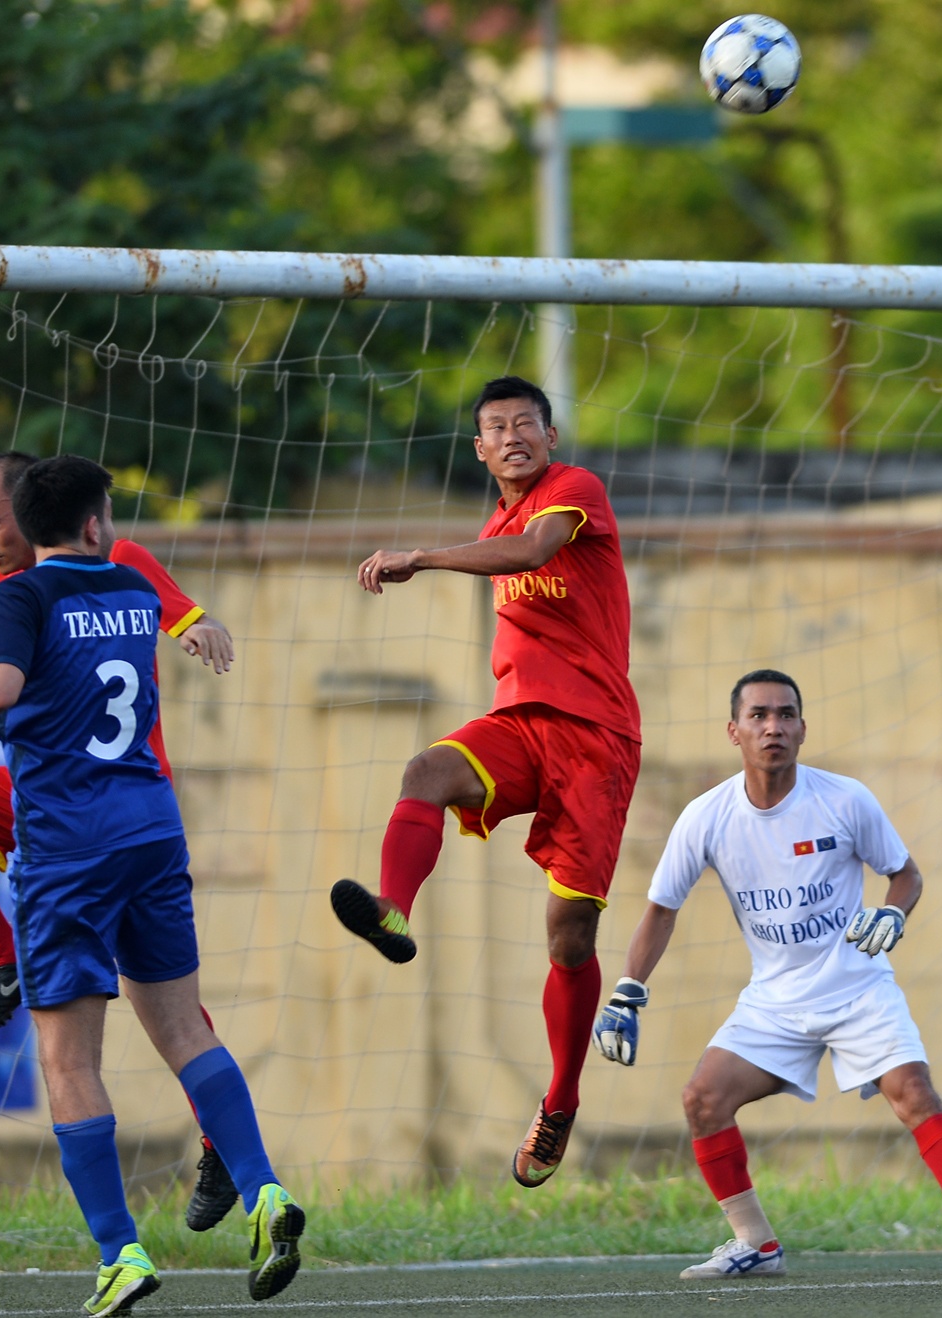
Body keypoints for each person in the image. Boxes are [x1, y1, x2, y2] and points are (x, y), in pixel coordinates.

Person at [0, 456, 302, 1314]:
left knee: (67, 1059)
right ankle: (264, 1187)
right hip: (148, 830)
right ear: (96, 520)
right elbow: (1, 671)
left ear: (24, 516)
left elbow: (0, 682)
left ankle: (121, 1252)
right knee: (180, 1021)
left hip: (67, 845)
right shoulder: (126, 583)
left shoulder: (23, 595)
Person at [334, 375, 640, 1187]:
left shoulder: (574, 493)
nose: (512, 437)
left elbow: (535, 552)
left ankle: (560, 1099)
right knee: (426, 769)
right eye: (496, 427)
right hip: (520, 725)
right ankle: (393, 913)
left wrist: (422, 556)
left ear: (549, 436)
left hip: (596, 739)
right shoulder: (494, 518)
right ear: (479, 448)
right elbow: (512, 550)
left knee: (568, 936)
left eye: (526, 424)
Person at [593, 671, 942, 1278]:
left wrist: (892, 911)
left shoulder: (846, 799)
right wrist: (629, 990)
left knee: (914, 1093)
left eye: (785, 715)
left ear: (803, 728)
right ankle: (756, 1244)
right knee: (703, 1099)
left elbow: (906, 875)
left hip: (857, 986)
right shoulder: (705, 816)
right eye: (757, 716)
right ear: (734, 731)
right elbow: (660, 912)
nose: (772, 727)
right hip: (774, 1001)